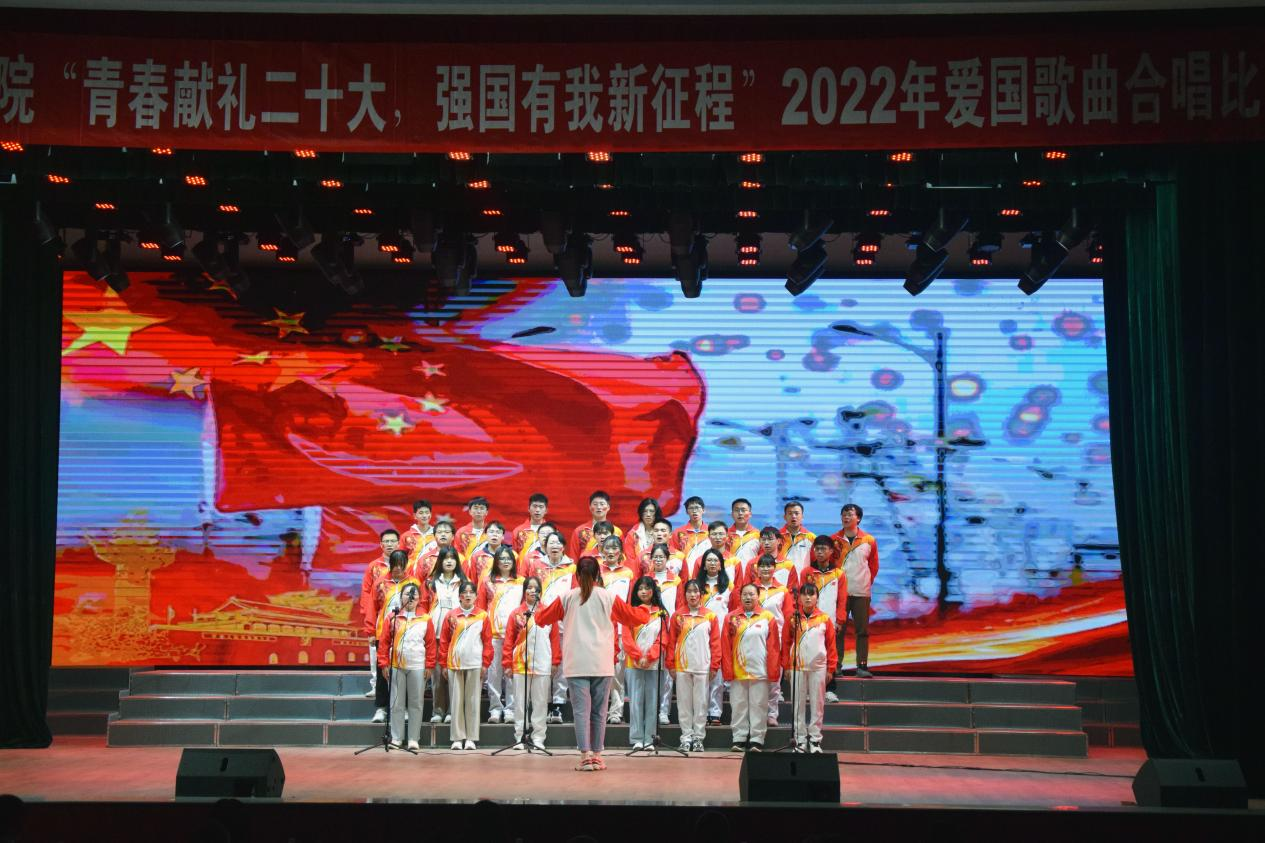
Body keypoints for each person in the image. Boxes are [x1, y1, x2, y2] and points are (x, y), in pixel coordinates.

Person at [534, 556, 651, 772]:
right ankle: (597, 756)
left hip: (577, 662)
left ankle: (585, 756)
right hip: (601, 661)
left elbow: (541, 619)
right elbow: (634, 618)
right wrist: (645, 608)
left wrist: (536, 607)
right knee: (599, 711)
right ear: (599, 574)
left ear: (577, 575)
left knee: (581, 711)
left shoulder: (567, 597)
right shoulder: (608, 596)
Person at [502, 575, 560, 750]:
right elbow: (508, 640)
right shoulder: (516, 614)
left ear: (541, 591)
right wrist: (507, 663)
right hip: (520, 664)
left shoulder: (548, 612)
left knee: (540, 702)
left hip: (543, 662)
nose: (532, 591)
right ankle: (520, 736)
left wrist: (555, 661)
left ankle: (538, 737)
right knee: (520, 702)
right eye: (529, 587)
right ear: (524, 591)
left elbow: (555, 639)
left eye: (536, 588)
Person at [722, 582, 780, 752]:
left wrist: (773, 671)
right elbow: (725, 646)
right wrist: (727, 670)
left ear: (758, 596)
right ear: (740, 597)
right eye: (745, 594)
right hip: (738, 670)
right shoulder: (731, 618)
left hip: (760, 670)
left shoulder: (768, 617)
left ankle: (757, 739)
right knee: (738, 705)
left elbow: (774, 647)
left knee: (759, 705)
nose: (748, 597)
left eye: (751, 594)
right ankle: (739, 738)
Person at [376, 582, 435, 750]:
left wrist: (429, 665)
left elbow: (431, 644)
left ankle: (413, 738)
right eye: (407, 594)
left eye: (414, 594)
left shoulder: (425, 618)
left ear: (419, 598)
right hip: (396, 665)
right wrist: (383, 663)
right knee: (396, 703)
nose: (411, 597)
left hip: (418, 666)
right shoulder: (392, 617)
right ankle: (396, 738)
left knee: (416, 703)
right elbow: (384, 643)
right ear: (401, 597)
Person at [782, 582, 838, 754]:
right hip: (797, 667)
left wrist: (831, 668)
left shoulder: (824, 619)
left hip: (818, 667)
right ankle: (799, 740)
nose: (808, 597)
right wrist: (786, 666)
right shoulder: (792, 618)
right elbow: (786, 643)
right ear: (799, 598)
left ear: (817, 598)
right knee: (797, 705)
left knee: (817, 704)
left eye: (811, 594)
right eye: (804, 594)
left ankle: (815, 741)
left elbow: (831, 645)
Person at [438, 580, 493, 750]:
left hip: (475, 663)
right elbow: (444, 641)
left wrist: (485, 663)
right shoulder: (451, 616)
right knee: (456, 702)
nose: (468, 595)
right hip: (454, 664)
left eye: (471, 592)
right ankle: (457, 737)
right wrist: (444, 664)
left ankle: (471, 738)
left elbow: (488, 642)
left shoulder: (483, 616)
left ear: (476, 596)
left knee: (472, 701)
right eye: (464, 592)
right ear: (459, 596)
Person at [666, 580, 721, 752]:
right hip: (682, 667)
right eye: (689, 591)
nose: (692, 595)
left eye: (696, 591)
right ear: (685, 594)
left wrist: (714, 666)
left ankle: (698, 738)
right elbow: (671, 642)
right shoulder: (678, 616)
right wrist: (670, 664)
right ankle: (686, 737)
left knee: (701, 704)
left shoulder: (710, 616)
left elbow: (715, 643)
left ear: (701, 594)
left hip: (702, 666)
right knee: (684, 705)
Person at [529, 530, 576, 723]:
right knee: (542, 663)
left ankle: (558, 704)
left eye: (558, 543)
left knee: (561, 665)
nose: (554, 546)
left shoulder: (572, 568)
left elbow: (575, 595)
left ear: (563, 547)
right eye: (551, 543)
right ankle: (543, 703)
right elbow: (531, 592)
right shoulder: (536, 565)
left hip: (564, 623)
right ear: (544, 546)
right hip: (542, 622)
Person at [744, 553, 795, 726]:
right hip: (754, 637)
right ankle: (755, 713)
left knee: (774, 677)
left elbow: (788, 616)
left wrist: (787, 638)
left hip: (776, 638)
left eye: (769, 566)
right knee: (754, 678)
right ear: (757, 569)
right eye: (762, 566)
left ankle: (772, 713)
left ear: (775, 568)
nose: (765, 569)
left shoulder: (782, 590)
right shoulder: (751, 590)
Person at [831, 503, 879, 678]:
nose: (846, 517)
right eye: (843, 514)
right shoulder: (834, 539)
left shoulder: (869, 540)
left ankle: (862, 666)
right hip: (839, 593)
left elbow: (873, 566)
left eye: (850, 514)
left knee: (862, 631)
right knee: (838, 631)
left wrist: (865, 582)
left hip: (861, 593)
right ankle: (836, 665)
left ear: (858, 518)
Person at [477, 545, 524, 724]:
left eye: (509, 558)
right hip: (494, 634)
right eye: (502, 558)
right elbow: (481, 609)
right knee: (494, 673)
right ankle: (495, 709)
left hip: (516, 635)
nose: (505, 561)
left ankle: (511, 709)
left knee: (512, 673)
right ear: (496, 561)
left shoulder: (521, 581)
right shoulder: (488, 582)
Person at [421, 545, 468, 723]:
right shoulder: (430, 583)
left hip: (458, 634)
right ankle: (438, 711)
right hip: (436, 633)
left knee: (454, 673)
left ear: (457, 561)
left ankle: (452, 711)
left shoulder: (464, 583)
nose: (449, 561)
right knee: (438, 675)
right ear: (440, 561)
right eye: (445, 558)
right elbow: (423, 606)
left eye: (452, 558)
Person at [622, 575, 668, 751]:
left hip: (654, 665)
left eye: (647, 588)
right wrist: (637, 656)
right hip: (633, 664)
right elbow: (626, 639)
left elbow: (663, 639)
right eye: (640, 588)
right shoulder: (629, 611)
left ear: (653, 591)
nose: (643, 591)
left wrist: (649, 657)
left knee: (652, 702)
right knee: (635, 702)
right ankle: (636, 738)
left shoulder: (661, 613)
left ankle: (650, 738)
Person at [801, 535, 846, 701]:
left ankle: (829, 689)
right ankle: (807, 690)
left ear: (831, 551)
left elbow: (842, 600)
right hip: (810, 620)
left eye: (823, 549)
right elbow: (801, 597)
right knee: (809, 653)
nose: (819, 552)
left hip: (830, 620)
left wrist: (839, 620)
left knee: (829, 654)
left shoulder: (838, 574)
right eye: (817, 549)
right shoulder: (806, 572)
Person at [597, 534, 637, 724]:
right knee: (600, 671)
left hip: (621, 629)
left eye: (615, 548)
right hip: (599, 627)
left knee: (617, 672)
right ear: (601, 550)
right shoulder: (597, 572)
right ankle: (599, 710)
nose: (611, 552)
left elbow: (632, 601)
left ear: (621, 552)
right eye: (607, 548)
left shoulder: (628, 573)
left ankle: (615, 711)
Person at [691, 548, 732, 726]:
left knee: (717, 673)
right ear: (703, 564)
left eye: (716, 560)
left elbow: (733, 611)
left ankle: (715, 711)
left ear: (721, 565)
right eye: (709, 560)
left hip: (720, 634)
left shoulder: (728, 586)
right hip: (699, 633)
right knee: (700, 673)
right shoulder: (696, 586)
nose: (712, 563)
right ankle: (700, 711)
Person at [360, 529, 400, 705]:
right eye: (386, 541)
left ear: (399, 543)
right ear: (381, 545)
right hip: (379, 616)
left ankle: (398, 689)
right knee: (377, 653)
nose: (390, 544)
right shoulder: (374, 566)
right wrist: (369, 619)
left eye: (393, 541)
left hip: (400, 620)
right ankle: (375, 684)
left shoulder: (405, 565)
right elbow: (366, 592)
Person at [646, 541, 681, 724]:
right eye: (655, 557)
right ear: (651, 559)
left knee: (667, 672)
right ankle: (651, 709)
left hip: (670, 629)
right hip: (650, 629)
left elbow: (680, 605)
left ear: (667, 559)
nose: (658, 560)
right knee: (652, 671)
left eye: (661, 557)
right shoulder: (646, 580)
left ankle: (663, 711)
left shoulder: (676, 580)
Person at [567, 490, 623, 561]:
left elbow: (622, 557)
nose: (598, 507)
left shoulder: (617, 532)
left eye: (602, 504)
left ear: (608, 507)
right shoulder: (579, 531)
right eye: (595, 504)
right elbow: (573, 558)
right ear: (590, 507)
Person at [741, 526, 800, 592]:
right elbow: (746, 589)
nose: (766, 543)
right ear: (760, 541)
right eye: (763, 539)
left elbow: (794, 592)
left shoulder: (788, 565)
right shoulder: (752, 564)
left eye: (770, 539)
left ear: (778, 541)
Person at [623, 497, 663, 569]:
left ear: (657, 513)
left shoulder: (664, 532)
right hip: (638, 572)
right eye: (645, 511)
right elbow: (630, 560)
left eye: (651, 511)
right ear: (641, 513)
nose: (648, 514)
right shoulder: (633, 534)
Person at [465, 520, 508, 585]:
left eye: (498, 532)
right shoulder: (476, 556)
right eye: (491, 532)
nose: (494, 535)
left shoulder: (512, 556)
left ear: (503, 536)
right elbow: (473, 580)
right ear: (486, 535)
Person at [779, 501, 816, 576]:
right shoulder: (776, 537)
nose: (793, 516)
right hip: (781, 580)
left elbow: (816, 561)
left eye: (796, 513)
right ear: (785, 517)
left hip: (803, 580)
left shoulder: (811, 538)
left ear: (802, 516)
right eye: (790, 513)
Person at [670, 496, 709, 563]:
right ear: (687, 512)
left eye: (697, 507)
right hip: (685, 568)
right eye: (691, 508)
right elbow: (673, 553)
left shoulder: (710, 532)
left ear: (703, 510)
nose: (694, 511)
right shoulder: (678, 532)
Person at [401, 500, 436, 566]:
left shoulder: (437, 535)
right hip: (412, 571)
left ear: (430, 515)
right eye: (421, 513)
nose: (424, 515)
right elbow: (400, 558)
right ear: (415, 515)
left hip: (432, 571)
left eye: (427, 512)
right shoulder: (406, 536)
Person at [728, 498, 761, 567]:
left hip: (752, 573)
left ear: (750, 514)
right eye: (736, 510)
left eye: (743, 510)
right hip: (731, 572)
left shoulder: (758, 534)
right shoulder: (726, 534)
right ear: (732, 514)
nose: (740, 513)